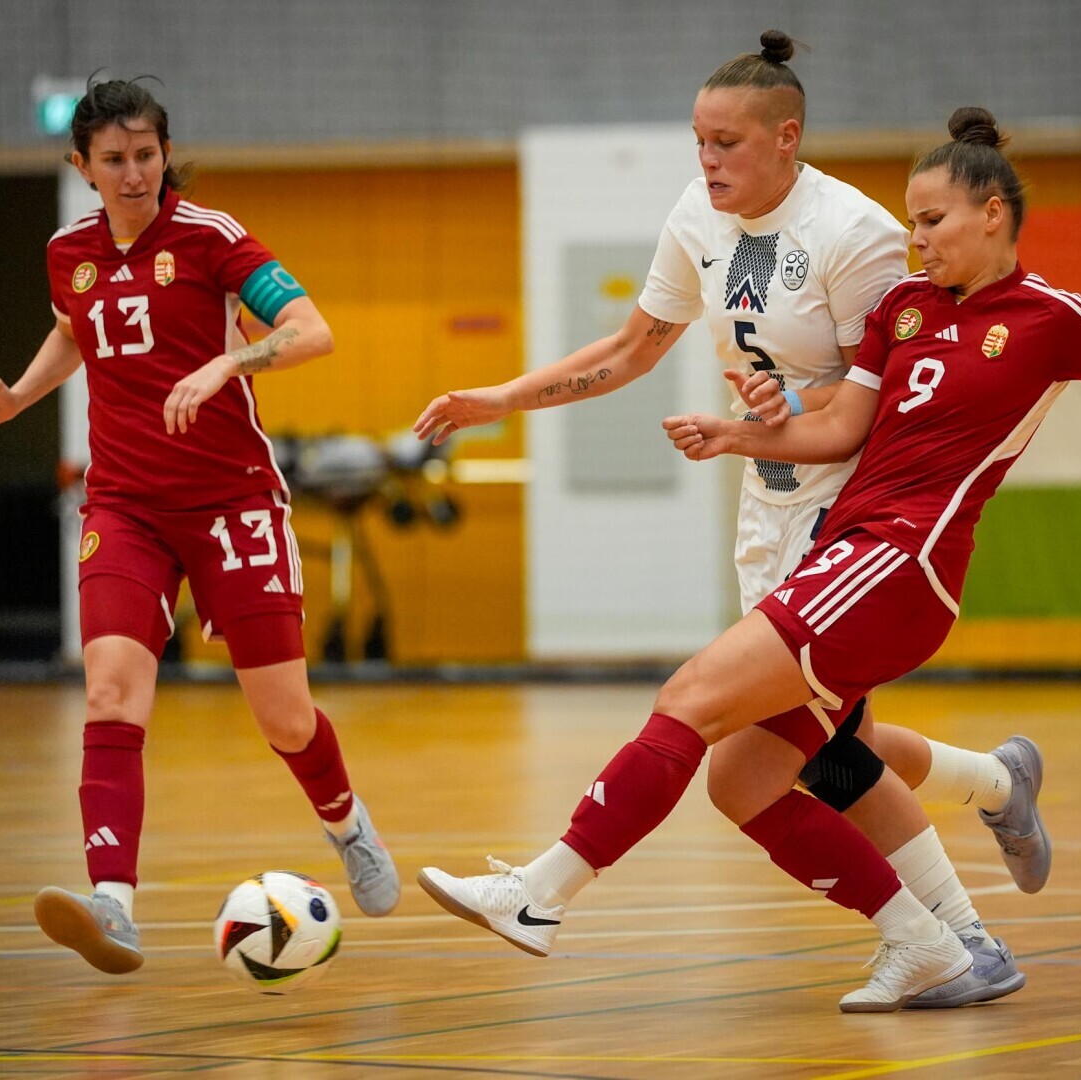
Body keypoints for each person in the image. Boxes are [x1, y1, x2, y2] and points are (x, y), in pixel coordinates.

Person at [417, 104, 1081, 1013]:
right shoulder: (904, 311)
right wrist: (737, 432)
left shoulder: (1055, 317)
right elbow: (838, 426)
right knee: (744, 780)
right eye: (911, 222)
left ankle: (540, 896)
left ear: (994, 212)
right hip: (848, 552)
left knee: (689, 699)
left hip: (901, 562)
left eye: (933, 220)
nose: (916, 241)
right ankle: (927, 944)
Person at [415, 35, 1032, 1008]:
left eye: (727, 144)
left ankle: (544, 891)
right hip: (766, 514)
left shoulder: (857, 236)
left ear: (787, 139)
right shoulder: (697, 215)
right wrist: (503, 399)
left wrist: (767, 424)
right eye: (697, 142)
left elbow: (880, 417)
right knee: (813, 751)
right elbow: (631, 346)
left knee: (758, 730)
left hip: (849, 528)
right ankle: (987, 816)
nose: (707, 163)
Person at [0, 78, 400, 974]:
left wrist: (227, 362)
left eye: (147, 156)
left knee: (282, 718)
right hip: (124, 505)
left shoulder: (209, 237)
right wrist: (17, 398)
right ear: (81, 166)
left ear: (166, 154)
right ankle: (112, 905)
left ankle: (346, 822)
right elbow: (76, 333)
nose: (133, 174)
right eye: (113, 160)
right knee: (112, 693)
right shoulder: (67, 252)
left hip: (233, 501)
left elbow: (313, 332)